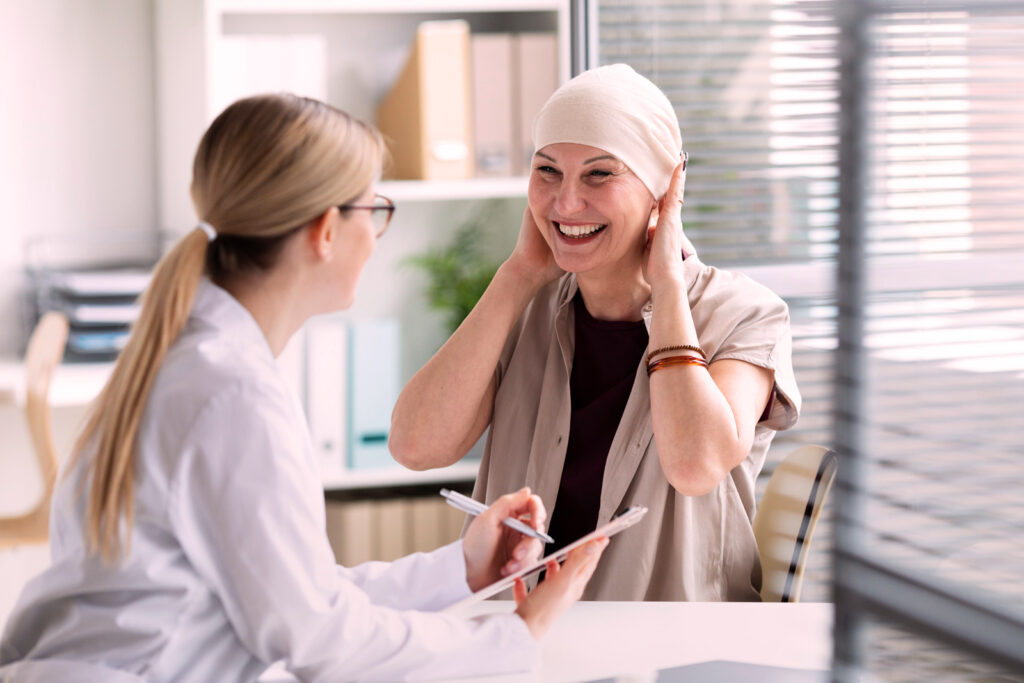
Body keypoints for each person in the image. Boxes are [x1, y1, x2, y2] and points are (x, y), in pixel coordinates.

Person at [0, 94, 607, 683]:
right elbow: (316, 637)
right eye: (375, 212)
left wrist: (461, 569)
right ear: (324, 231)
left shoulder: (190, 361)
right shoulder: (231, 396)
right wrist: (515, 635)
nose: (376, 236)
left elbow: (292, 594)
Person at [389, 64, 801, 602]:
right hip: (519, 636)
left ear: (663, 192)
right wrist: (516, 276)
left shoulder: (743, 314)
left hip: (668, 649)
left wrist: (668, 287)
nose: (566, 203)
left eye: (600, 174)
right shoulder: (525, 306)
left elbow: (696, 465)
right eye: (548, 171)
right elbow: (416, 448)